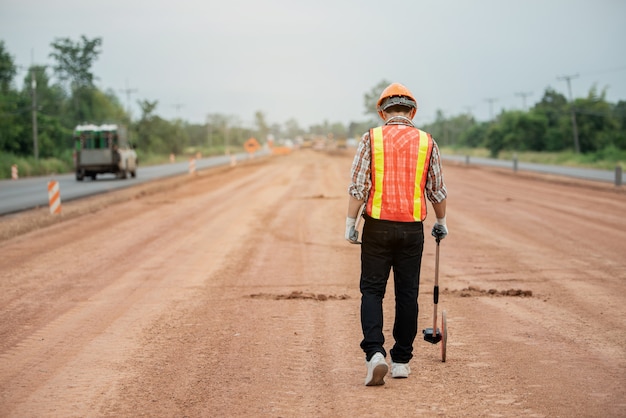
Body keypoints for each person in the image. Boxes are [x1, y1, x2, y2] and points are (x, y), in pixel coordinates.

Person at [345, 82, 448, 386]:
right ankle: (401, 360)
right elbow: (437, 189)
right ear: (412, 111)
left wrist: (350, 223)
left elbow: (358, 186)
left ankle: (375, 354)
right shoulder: (427, 142)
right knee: (407, 294)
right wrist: (441, 221)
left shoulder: (371, 138)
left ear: (382, 112)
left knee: (372, 291)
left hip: (377, 226)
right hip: (411, 230)